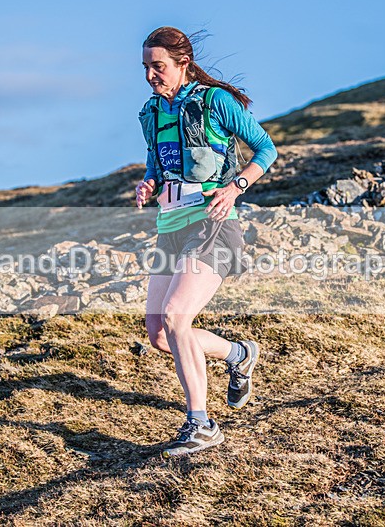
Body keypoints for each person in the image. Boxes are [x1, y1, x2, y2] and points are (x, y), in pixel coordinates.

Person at [134, 26, 277, 458]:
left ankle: (201, 424)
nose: (150, 76)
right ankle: (238, 353)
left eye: (157, 67)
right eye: (145, 68)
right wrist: (148, 184)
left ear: (182, 63)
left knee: (178, 317)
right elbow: (156, 165)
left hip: (213, 223)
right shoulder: (151, 113)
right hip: (170, 226)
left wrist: (235, 186)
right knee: (159, 334)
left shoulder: (216, 103)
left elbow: (265, 149)